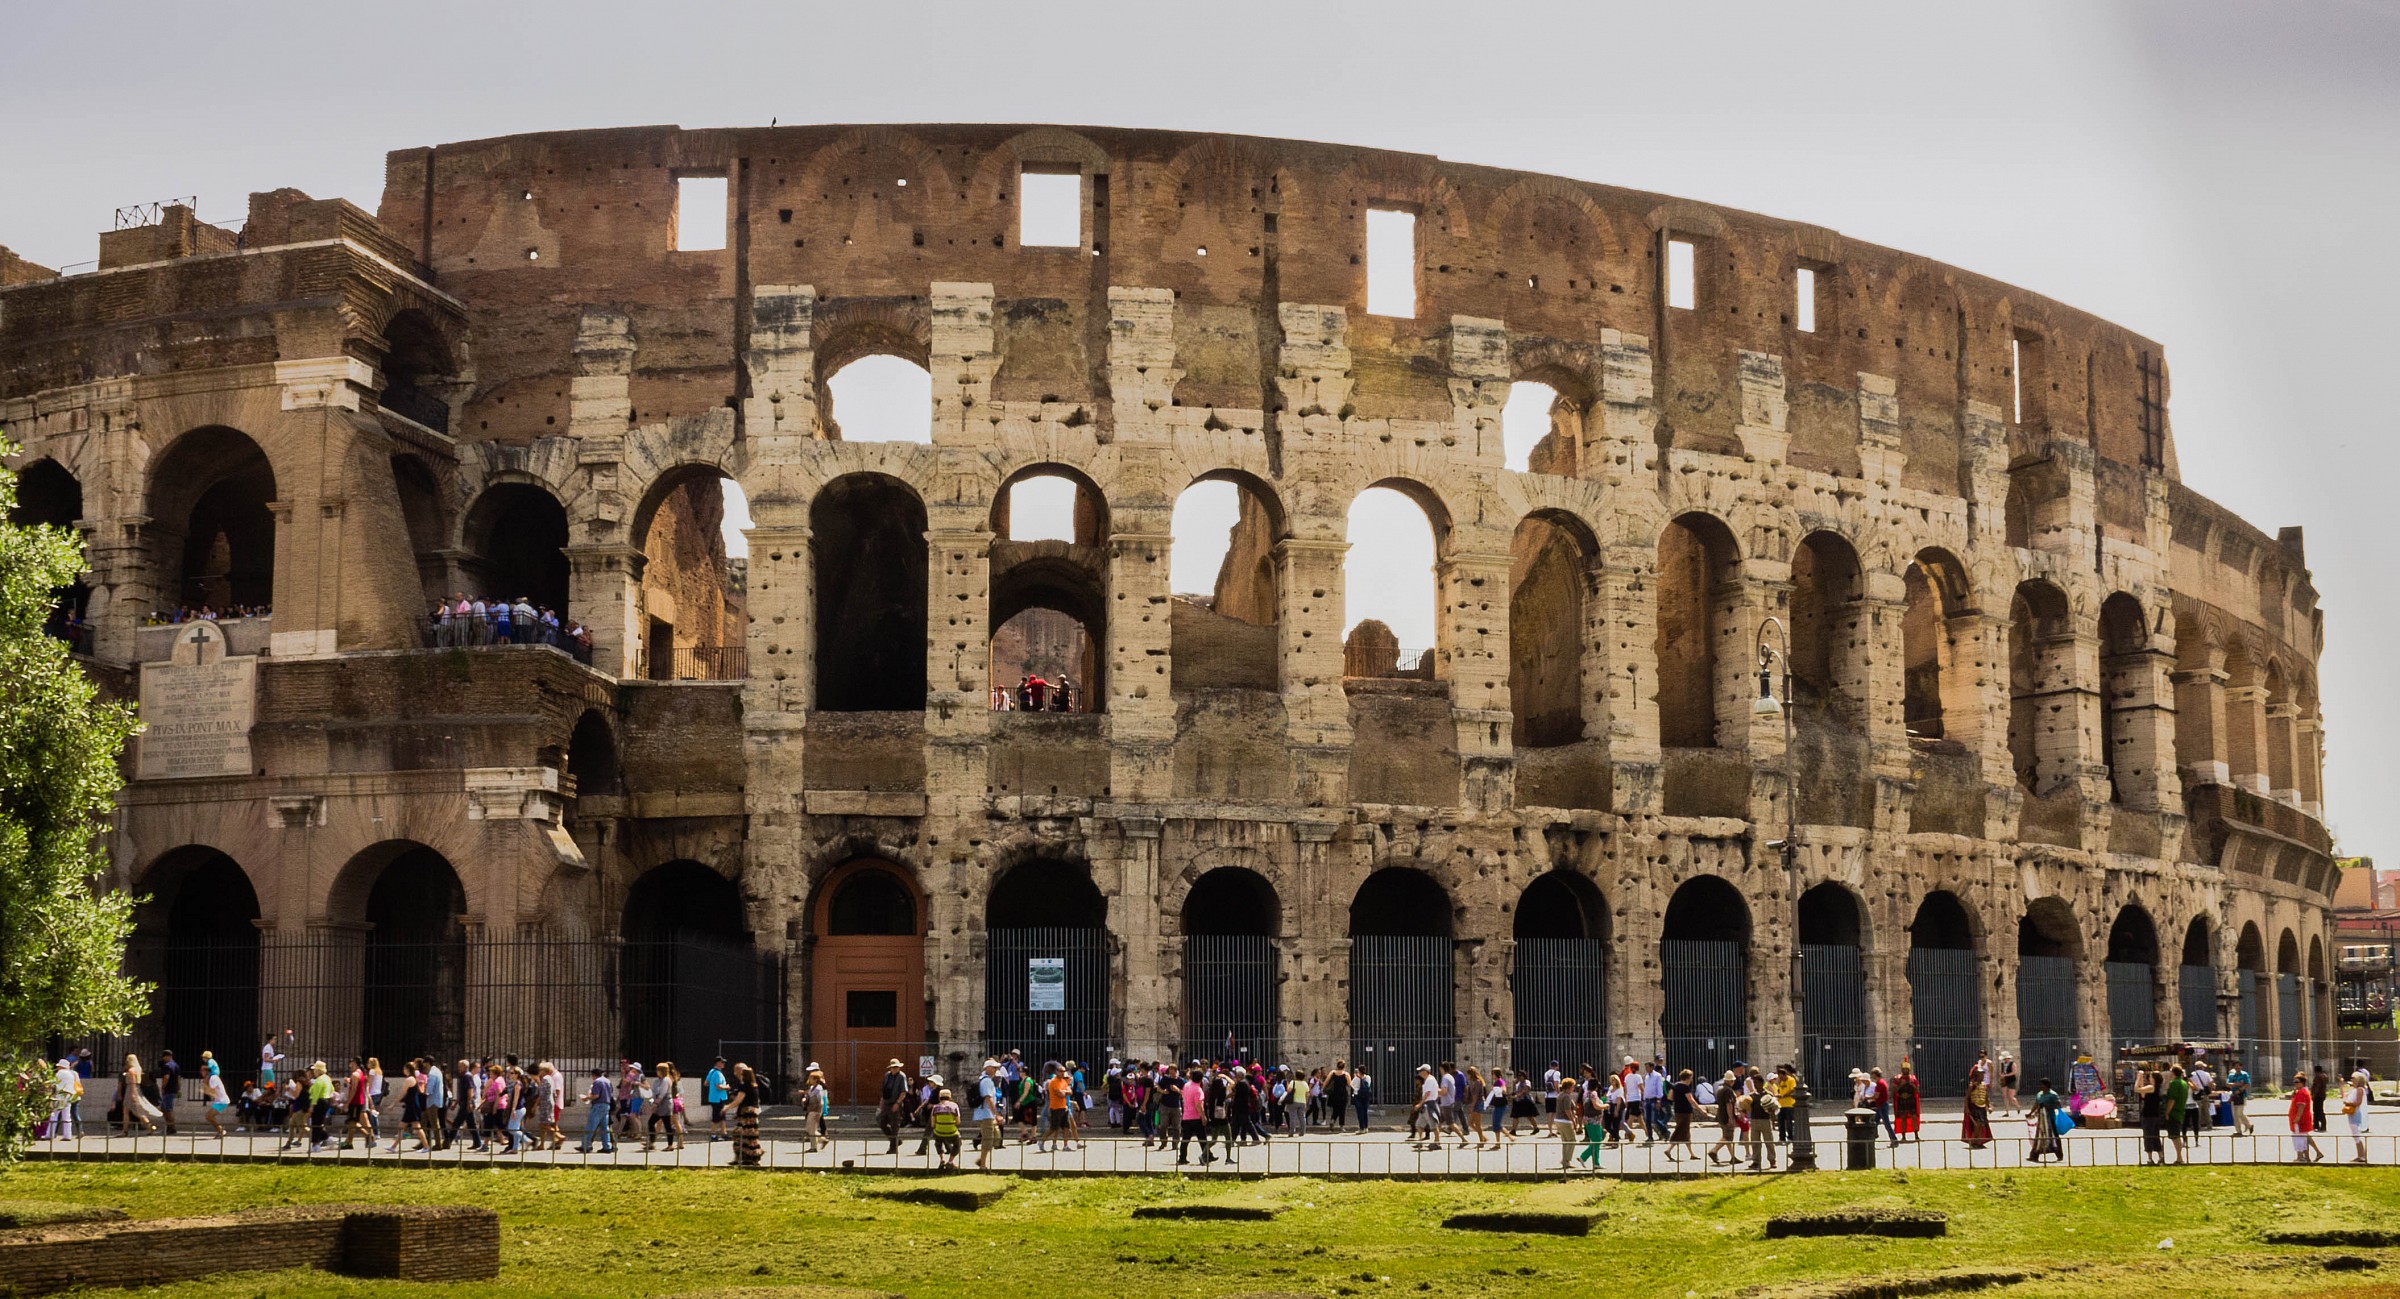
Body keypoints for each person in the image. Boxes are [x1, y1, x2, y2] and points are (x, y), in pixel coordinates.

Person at [974, 1058, 1006, 1170]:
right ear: (987, 1068)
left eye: (997, 1067)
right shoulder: (987, 1081)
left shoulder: (987, 1080)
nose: (996, 1069)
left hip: (987, 1114)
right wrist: (996, 1114)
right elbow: (988, 1099)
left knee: (996, 1138)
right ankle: (982, 1165)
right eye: (994, 1067)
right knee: (988, 1139)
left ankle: (981, 1160)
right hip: (985, 1114)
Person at [117, 1053, 159, 1137]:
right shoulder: (137, 1069)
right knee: (135, 1111)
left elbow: (132, 1083)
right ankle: (149, 1126)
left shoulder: (131, 1070)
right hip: (135, 1089)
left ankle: (126, 1130)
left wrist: (132, 1094)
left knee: (130, 1111)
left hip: (131, 1090)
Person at [1177, 1065, 1212, 1166]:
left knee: (1185, 1139)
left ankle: (1182, 1158)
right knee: (1202, 1138)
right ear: (1201, 1079)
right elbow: (1198, 1104)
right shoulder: (1198, 1089)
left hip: (1186, 1116)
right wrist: (1203, 1116)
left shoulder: (1186, 1086)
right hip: (1196, 1117)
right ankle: (1206, 1156)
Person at [2028, 1077, 2066, 1163]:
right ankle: (2034, 1155)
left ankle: (2059, 1155)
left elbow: (2058, 1106)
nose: (2040, 1086)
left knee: (2054, 1136)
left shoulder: (2053, 1095)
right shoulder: (2039, 1094)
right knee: (2039, 1137)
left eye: (2041, 1084)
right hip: (2041, 1119)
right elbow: (2036, 1104)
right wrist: (2031, 1113)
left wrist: (2047, 1106)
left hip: (2050, 1119)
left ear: (2046, 1085)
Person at [578, 1067, 615, 1154]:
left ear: (593, 1075)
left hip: (598, 1105)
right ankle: (607, 1146)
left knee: (591, 1126)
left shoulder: (597, 1082)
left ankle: (585, 1146)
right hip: (606, 1105)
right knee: (604, 1127)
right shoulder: (607, 1081)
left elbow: (596, 1095)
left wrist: (586, 1098)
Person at [1668, 1067, 1699, 1163]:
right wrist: (1701, 1110)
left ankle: (1692, 1154)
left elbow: (1670, 1097)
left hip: (1677, 1111)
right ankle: (1668, 1150)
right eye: (1691, 1078)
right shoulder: (1685, 1087)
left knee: (1686, 1132)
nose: (1692, 1080)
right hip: (1685, 1112)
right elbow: (1691, 1100)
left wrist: (1678, 1101)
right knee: (1681, 1130)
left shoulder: (1675, 1085)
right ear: (1688, 1078)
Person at [878, 1057, 909, 1154]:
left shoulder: (901, 1076)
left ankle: (893, 1148)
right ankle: (896, 1141)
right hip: (887, 1103)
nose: (895, 1069)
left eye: (896, 1067)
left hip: (895, 1103)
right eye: (893, 1067)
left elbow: (903, 1092)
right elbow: (883, 1089)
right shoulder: (887, 1075)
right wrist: (882, 1102)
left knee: (895, 1126)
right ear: (890, 1068)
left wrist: (897, 1103)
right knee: (882, 1122)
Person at [2290, 1071, 2322, 1163]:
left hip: (2301, 1120)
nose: (2295, 1084)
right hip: (2303, 1119)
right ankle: (2308, 1157)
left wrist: (2297, 1117)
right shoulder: (2301, 1091)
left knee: (2299, 1138)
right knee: (2304, 1137)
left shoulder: (2301, 1093)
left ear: (2302, 1083)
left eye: (2297, 1082)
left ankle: (2301, 1156)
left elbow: (2301, 1106)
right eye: (2294, 1082)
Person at [2135, 1065, 2164, 1166]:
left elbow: (2137, 1089)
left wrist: (2138, 1078)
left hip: (2149, 1115)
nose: (2149, 1078)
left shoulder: (2152, 1087)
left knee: (2148, 1135)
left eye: (2151, 1076)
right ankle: (2161, 1156)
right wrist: (2142, 1080)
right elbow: (2143, 1094)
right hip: (2154, 1115)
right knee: (2155, 1136)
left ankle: (2150, 1158)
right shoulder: (2154, 1088)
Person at [1962, 1056, 1993, 1150]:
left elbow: (1986, 1097)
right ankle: (1973, 1142)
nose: (1982, 1075)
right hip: (1974, 1107)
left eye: (1983, 1074)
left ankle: (1979, 1141)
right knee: (1976, 1125)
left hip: (1982, 1107)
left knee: (1982, 1125)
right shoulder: (1972, 1084)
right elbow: (1967, 1097)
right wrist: (1967, 1108)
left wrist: (1989, 1106)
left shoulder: (1983, 1085)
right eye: (1981, 1074)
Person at [2163, 1064, 2192, 1166]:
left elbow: (2172, 1099)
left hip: (2174, 1112)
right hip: (2181, 1111)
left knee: (2175, 1136)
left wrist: (2167, 1112)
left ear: (2173, 1073)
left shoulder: (2174, 1083)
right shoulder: (2184, 1083)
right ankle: (2179, 1157)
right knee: (2176, 1135)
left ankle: (2179, 1158)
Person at [2342, 1069, 2372, 1164]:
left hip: (2356, 1113)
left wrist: (2347, 1102)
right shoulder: (2354, 1090)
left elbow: (2358, 1102)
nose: (2352, 1079)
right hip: (2352, 1113)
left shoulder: (2359, 1090)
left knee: (2356, 1135)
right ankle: (2360, 1155)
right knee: (2355, 1135)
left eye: (2353, 1078)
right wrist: (2341, 1085)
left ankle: (2362, 1155)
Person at [930, 1087, 962, 1168]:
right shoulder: (954, 1106)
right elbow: (958, 1121)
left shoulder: (935, 1107)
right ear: (950, 1097)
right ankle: (950, 1161)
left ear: (939, 1097)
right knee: (958, 1143)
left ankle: (942, 1160)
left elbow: (933, 1124)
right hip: (952, 1132)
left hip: (939, 1132)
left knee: (938, 1143)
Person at [49, 1058, 80, 1141]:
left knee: (54, 1115)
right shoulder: (71, 1074)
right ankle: (67, 1135)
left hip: (59, 1095)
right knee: (66, 1116)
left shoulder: (59, 1073)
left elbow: (54, 1084)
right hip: (68, 1095)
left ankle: (50, 1134)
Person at [1892, 1063, 1921, 1144]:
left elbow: (1917, 1091)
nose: (1905, 1071)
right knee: (1903, 1118)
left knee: (1914, 1118)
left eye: (1906, 1069)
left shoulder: (1913, 1078)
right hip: (1902, 1100)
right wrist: (1901, 1085)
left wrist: (1913, 1085)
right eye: (1904, 1069)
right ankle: (1903, 1136)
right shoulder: (1897, 1078)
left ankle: (1916, 1135)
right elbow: (1894, 1090)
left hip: (1911, 1100)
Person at [705, 1057, 730, 1141]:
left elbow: (706, 1083)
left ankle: (724, 1133)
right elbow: (719, 1086)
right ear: (717, 1063)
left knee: (722, 1116)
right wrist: (727, 1087)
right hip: (718, 1098)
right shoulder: (718, 1074)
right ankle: (713, 1135)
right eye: (722, 1062)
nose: (723, 1064)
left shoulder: (711, 1072)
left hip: (713, 1097)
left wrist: (712, 1086)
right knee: (716, 1117)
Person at [156, 1050, 181, 1135]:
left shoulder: (166, 1066)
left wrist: (162, 1087)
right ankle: (169, 1126)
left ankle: (171, 1127)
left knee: (167, 1109)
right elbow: (178, 1078)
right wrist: (178, 1088)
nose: (163, 1059)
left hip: (168, 1089)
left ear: (167, 1056)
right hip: (174, 1089)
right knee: (164, 1108)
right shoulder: (176, 1065)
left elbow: (166, 1077)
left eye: (163, 1057)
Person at [2229, 1060, 2254, 1135]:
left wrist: (2239, 1090)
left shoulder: (2244, 1074)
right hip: (2233, 1096)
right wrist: (2239, 1084)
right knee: (2234, 1114)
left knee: (2239, 1112)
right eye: (2235, 1066)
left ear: (2241, 1066)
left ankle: (2249, 1125)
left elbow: (2247, 1084)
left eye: (2238, 1065)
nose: (2237, 1067)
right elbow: (2228, 1084)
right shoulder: (2231, 1075)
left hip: (2242, 1095)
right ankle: (2238, 1130)